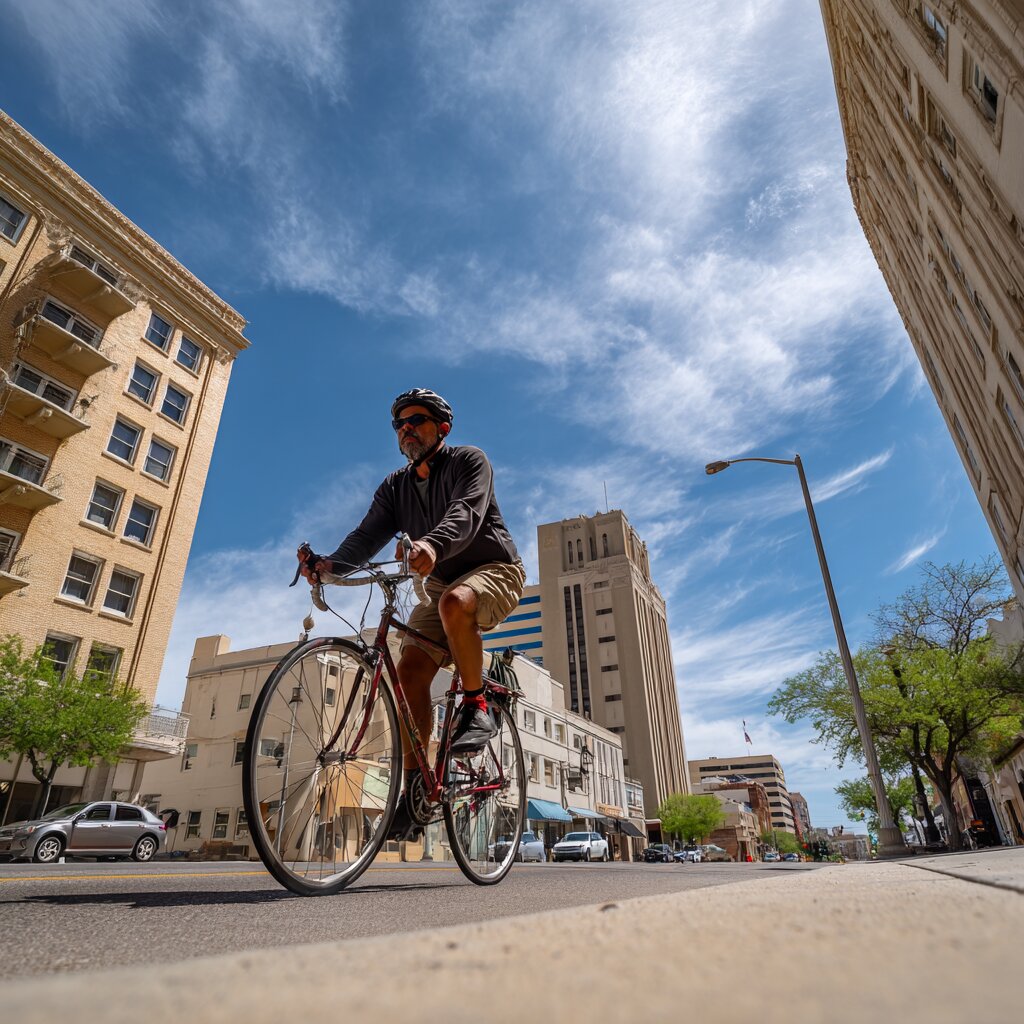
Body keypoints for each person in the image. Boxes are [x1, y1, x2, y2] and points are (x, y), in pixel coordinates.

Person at [298, 388, 526, 840]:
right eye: (399, 424)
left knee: (454, 603)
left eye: (417, 420)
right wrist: (329, 566)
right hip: (441, 578)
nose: (406, 429)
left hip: (494, 568)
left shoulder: (468, 461)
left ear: (442, 427)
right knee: (408, 671)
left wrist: (432, 544)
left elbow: (466, 512)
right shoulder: (395, 487)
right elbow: (366, 536)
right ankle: (420, 786)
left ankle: (477, 705)